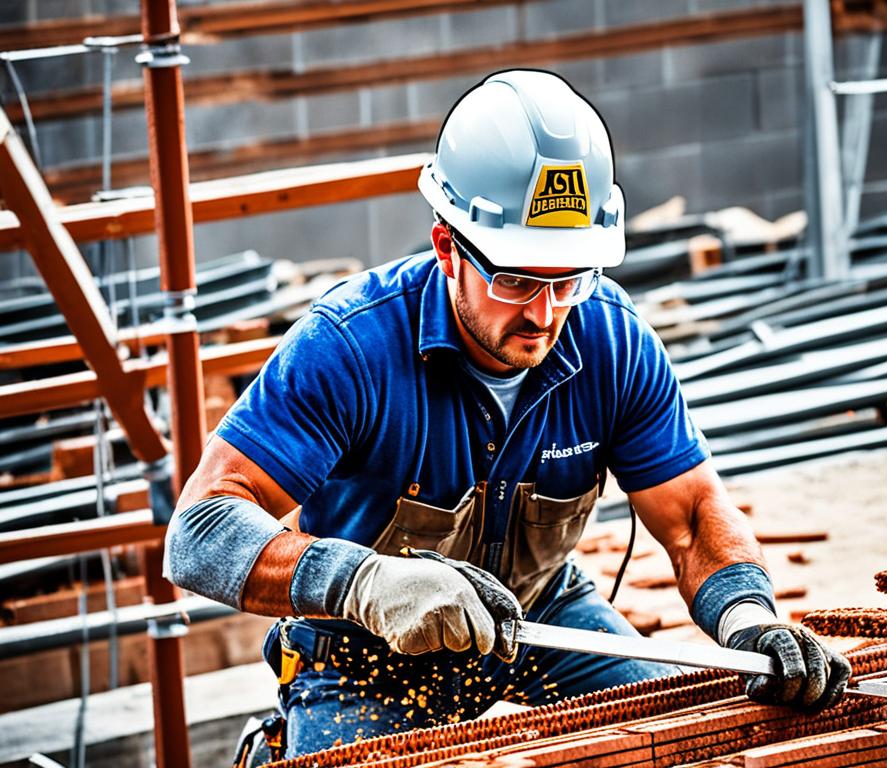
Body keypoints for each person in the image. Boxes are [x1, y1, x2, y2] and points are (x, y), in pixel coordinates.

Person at [166, 69, 850, 759]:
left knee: (679, 744)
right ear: (447, 248)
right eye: (519, 277)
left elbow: (694, 510)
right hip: (360, 654)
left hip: (543, 617)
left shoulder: (610, 338)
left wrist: (749, 617)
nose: (546, 312)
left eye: (571, 278)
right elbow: (199, 532)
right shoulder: (351, 347)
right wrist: (364, 582)